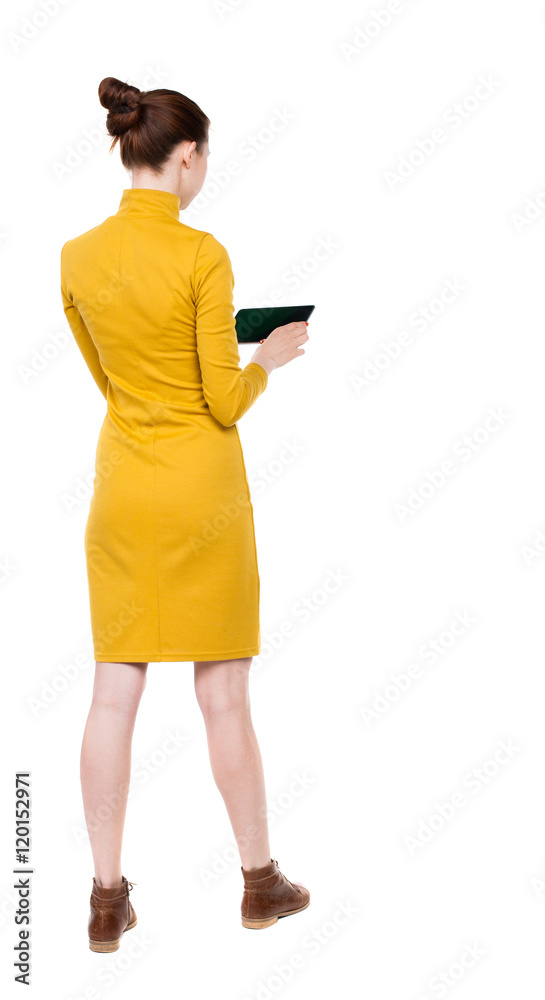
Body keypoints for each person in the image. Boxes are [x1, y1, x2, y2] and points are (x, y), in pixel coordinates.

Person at [60, 77, 311, 953]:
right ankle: (259, 882)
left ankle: (103, 898)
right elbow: (220, 398)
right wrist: (268, 358)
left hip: (124, 491)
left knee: (113, 693)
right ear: (187, 156)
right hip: (202, 495)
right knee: (224, 694)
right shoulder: (203, 255)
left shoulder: (76, 256)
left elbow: (113, 380)